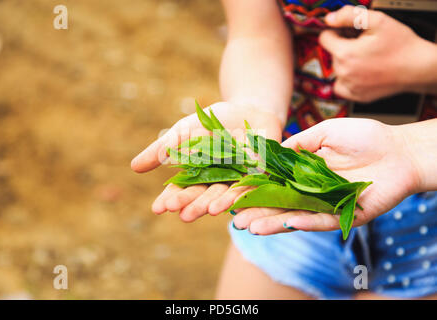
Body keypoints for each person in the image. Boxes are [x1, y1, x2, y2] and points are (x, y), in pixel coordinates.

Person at [131, 1, 437, 299]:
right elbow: (256, 34)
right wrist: (254, 104)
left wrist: (425, 67)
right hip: (294, 192)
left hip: (426, 208)